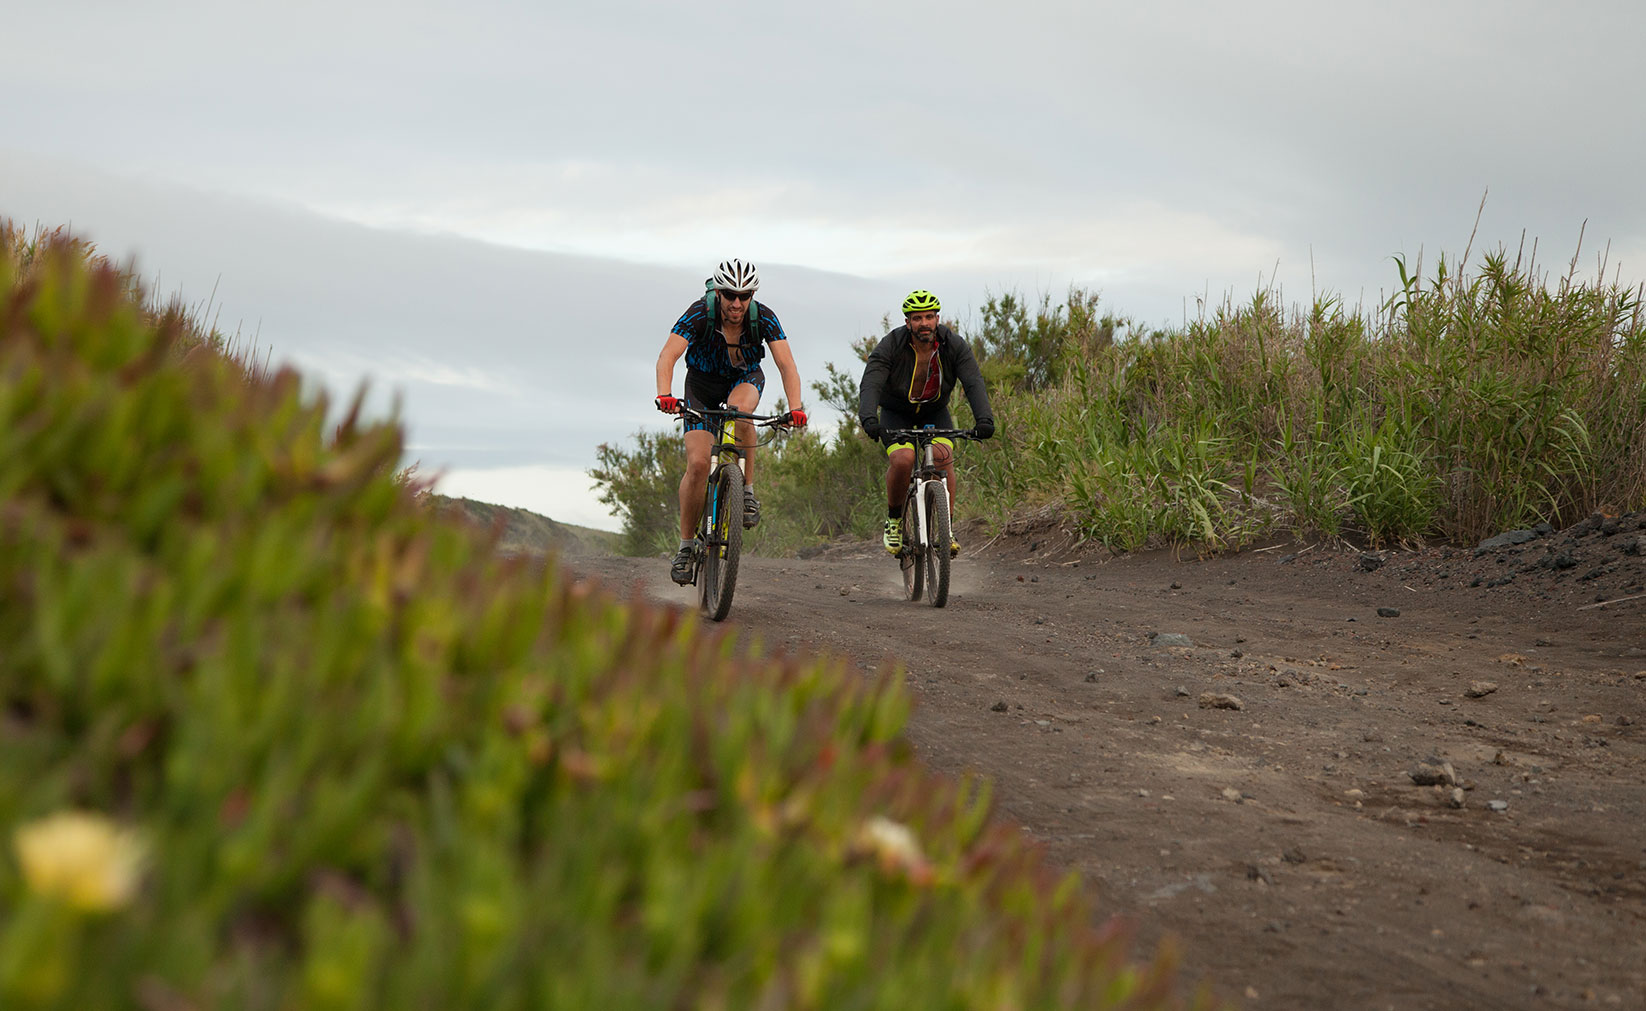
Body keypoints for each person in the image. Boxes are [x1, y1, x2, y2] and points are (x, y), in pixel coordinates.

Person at [655, 257, 807, 585]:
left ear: (752, 295)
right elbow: (668, 354)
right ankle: (685, 547)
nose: (737, 303)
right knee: (698, 465)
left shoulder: (764, 317)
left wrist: (795, 407)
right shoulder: (699, 313)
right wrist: (664, 394)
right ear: (718, 293)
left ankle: (746, 491)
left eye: (744, 295)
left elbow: (786, 364)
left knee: (740, 412)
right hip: (701, 386)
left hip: (744, 378)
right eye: (729, 295)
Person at [858, 289, 994, 556]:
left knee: (943, 456)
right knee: (903, 460)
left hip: (934, 411)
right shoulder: (891, 345)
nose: (924, 323)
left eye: (929, 317)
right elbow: (871, 382)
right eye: (917, 318)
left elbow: (973, 381)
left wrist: (984, 419)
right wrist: (869, 419)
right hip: (897, 412)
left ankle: (946, 528)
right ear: (908, 322)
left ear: (937, 319)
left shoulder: (953, 345)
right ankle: (894, 520)